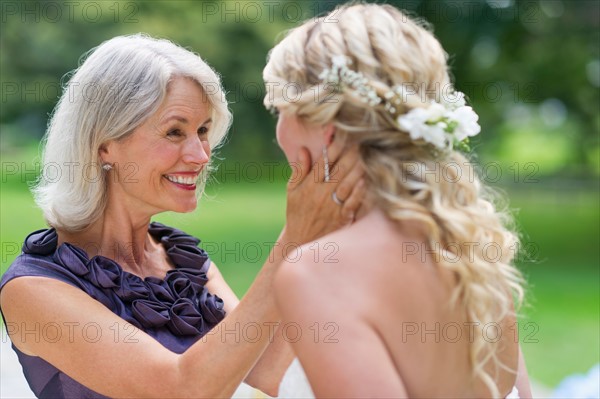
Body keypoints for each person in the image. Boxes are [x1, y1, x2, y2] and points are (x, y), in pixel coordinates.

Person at [0, 34, 364, 398]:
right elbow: (179, 390)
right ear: (104, 145)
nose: (201, 155)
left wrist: (324, 229)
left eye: (203, 131)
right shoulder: (34, 287)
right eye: (175, 132)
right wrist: (293, 239)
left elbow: (270, 369)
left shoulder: (179, 258)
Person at [264, 3, 533, 398]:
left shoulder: (318, 274)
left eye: (281, 109)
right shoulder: (471, 248)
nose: (279, 132)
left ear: (327, 128)